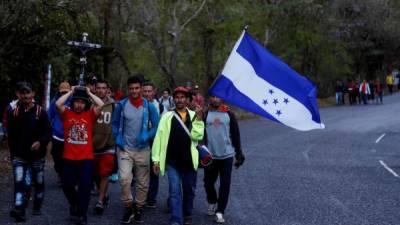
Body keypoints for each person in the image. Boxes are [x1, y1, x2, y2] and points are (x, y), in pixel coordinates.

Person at [152, 86, 204, 225]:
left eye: (182, 97)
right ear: (173, 99)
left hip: (189, 161)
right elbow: (159, 138)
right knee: (174, 191)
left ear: (187, 100)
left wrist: (199, 120)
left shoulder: (195, 115)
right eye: (177, 97)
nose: (179, 100)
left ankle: (187, 213)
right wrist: (156, 160)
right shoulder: (167, 117)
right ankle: (176, 219)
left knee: (189, 190)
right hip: (172, 162)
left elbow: (197, 136)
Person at [112, 75, 159, 224]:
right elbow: (114, 124)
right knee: (124, 179)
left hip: (143, 149)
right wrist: (117, 136)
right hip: (125, 148)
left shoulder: (149, 106)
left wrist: (148, 134)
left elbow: (157, 127)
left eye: (137, 88)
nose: (134, 91)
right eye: (131, 88)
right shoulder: (121, 105)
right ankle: (128, 206)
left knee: (143, 182)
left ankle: (138, 207)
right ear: (128, 89)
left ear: (140, 88)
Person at [56, 86, 104, 225]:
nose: (79, 105)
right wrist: (71, 92)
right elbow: (58, 104)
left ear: (86, 104)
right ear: (72, 102)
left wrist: (89, 93)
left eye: (82, 102)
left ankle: (82, 214)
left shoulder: (89, 115)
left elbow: (101, 104)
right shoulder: (67, 113)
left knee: (85, 186)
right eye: (76, 101)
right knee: (67, 184)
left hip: (86, 158)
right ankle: (75, 203)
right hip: (69, 157)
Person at [7, 82, 51, 222]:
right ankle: (19, 210)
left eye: (28, 92)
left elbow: (48, 132)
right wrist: (13, 154)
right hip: (19, 156)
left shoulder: (40, 112)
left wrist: (40, 142)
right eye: (22, 93)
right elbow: (11, 136)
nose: (25, 95)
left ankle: (37, 205)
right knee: (19, 182)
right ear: (18, 94)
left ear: (33, 94)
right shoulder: (13, 112)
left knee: (38, 182)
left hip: (37, 156)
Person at [202, 96, 245, 224]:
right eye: (213, 97)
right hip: (210, 156)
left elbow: (235, 134)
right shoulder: (205, 114)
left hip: (227, 155)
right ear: (210, 98)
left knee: (225, 184)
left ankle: (220, 211)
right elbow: (199, 133)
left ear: (222, 99)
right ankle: (212, 201)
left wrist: (239, 153)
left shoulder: (229, 114)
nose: (215, 99)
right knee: (208, 183)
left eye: (218, 97)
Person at [92, 79, 116, 215]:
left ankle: (100, 201)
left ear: (107, 90)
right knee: (95, 174)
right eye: (98, 88)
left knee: (104, 173)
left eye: (104, 88)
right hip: (92, 145)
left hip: (108, 145)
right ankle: (104, 193)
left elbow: (117, 123)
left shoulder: (114, 105)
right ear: (95, 89)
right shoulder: (90, 104)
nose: (101, 90)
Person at [142, 82, 163, 208]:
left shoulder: (159, 106)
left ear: (154, 92)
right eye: (145, 91)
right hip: (141, 142)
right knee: (141, 171)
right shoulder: (137, 105)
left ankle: (151, 198)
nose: (147, 93)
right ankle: (141, 196)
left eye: (150, 91)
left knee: (154, 171)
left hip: (155, 141)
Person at [47, 81, 71, 185]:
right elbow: (49, 116)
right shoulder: (54, 101)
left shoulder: (74, 101)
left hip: (70, 135)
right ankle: (60, 174)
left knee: (68, 157)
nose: (64, 94)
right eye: (62, 92)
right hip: (56, 135)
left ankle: (67, 177)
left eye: (66, 92)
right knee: (56, 156)